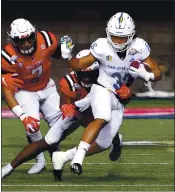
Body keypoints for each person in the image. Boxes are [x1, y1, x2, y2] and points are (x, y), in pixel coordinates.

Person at [60, 12, 162, 175]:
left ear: (131, 35)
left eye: (123, 37)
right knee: (103, 117)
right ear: (108, 33)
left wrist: (147, 75)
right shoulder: (101, 46)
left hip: (120, 97)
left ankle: (63, 156)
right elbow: (78, 65)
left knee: (104, 142)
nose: (118, 41)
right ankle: (78, 158)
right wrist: (67, 57)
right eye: (114, 37)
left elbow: (158, 72)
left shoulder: (140, 47)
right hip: (102, 87)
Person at [1, 50, 123, 180]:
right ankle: (8, 167)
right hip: (76, 111)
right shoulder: (69, 81)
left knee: (102, 138)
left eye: (90, 73)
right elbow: (65, 98)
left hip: (96, 111)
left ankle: (113, 138)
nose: (86, 78)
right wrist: (64, 106)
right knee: (48, 141)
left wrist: (123, 92)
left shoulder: (107, 79)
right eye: (82, 73)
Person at [1, 18, 62, 174]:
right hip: (25, 91)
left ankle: (56, 153)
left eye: (29, 39)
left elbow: (59, 54)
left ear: (34, 35)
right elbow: (7, 91)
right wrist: (23, 117)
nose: (26, 44)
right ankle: (40, 161)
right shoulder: (7, 56)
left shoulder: (47, 39)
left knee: (60, 125)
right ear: (13, 41)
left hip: (47, 86)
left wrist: (66, 53)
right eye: (21, 41)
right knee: (32, 127)